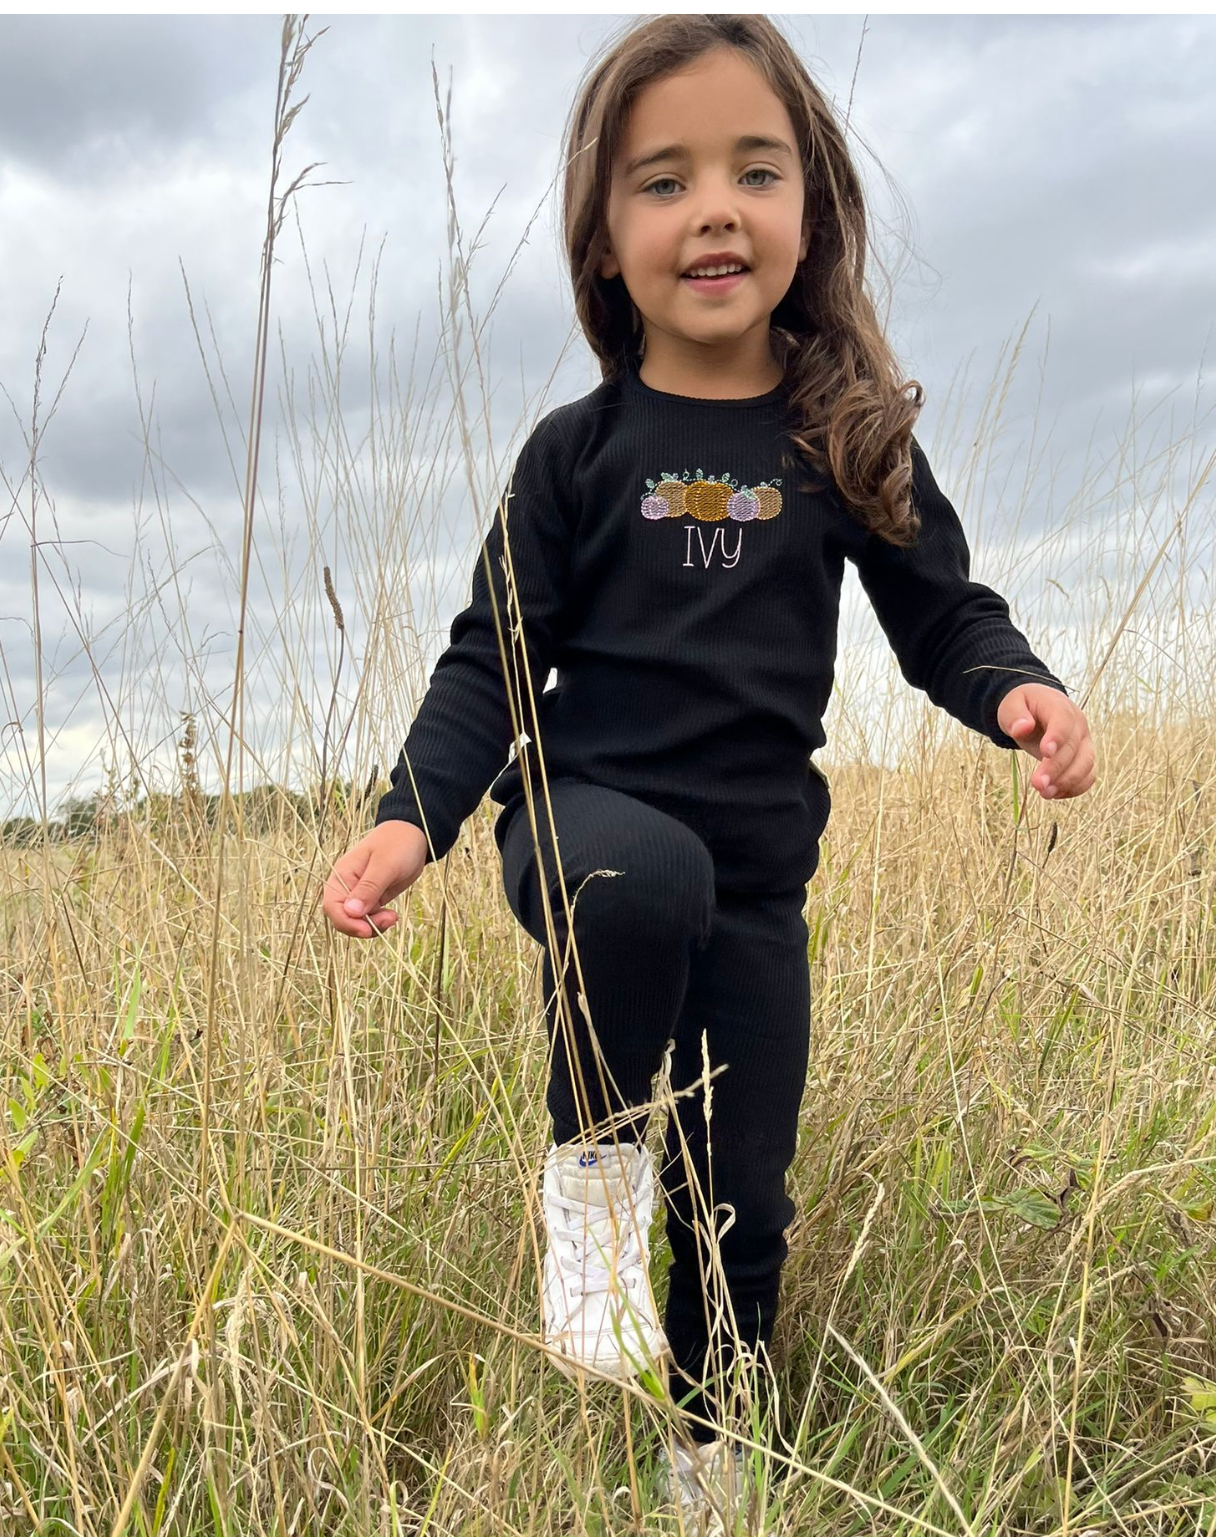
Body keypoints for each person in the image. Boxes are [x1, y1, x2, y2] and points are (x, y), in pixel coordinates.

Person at [323, 13, 1095, 1523]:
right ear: (605, 241)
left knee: (747, 1198)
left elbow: (943, 613)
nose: (716, 209)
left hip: (759, 880)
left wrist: (1020, 692)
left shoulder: (843, 439)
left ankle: (707, 1441)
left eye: (757, 168)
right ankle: (594, 1187)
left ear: (813, 210)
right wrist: (409, 816)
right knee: (638, 877)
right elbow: (493, 660)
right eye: (663, 181)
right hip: (585, 828)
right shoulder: (576, 452)